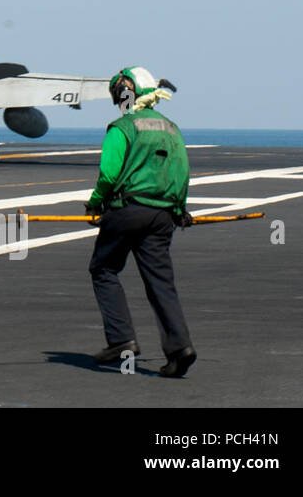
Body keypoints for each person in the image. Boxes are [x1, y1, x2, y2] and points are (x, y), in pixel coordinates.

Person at [85, 66, 197, 377]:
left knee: (103, 269)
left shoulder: (122, 127)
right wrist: (180, 210)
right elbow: (181, 173)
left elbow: (108, 174)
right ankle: (180, 347)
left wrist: (94, 205)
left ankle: (121, 341)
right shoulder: (172, 128)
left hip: (126, 212)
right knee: (161, 283)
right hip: (162, 216)